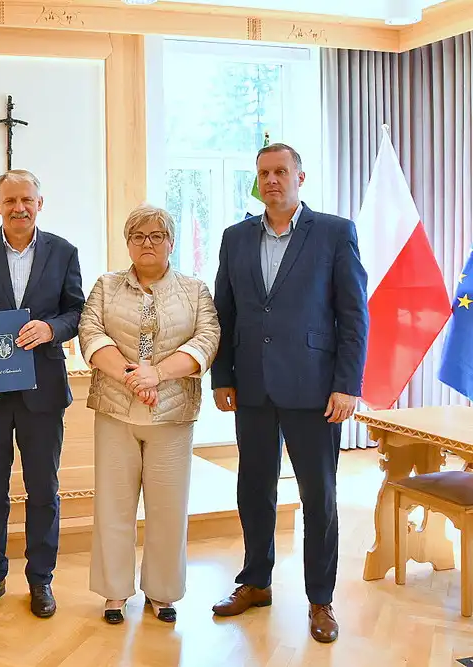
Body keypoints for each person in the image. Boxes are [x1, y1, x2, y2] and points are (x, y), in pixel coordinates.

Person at [210, 143, 368, 643]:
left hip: (315, 389)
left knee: (318, 495)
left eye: (281, 171)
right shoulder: (235, 238)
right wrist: (223, 376)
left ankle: (320, 599)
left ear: (301, 176)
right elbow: (224, 313)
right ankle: (255, 582)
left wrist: (347, 385)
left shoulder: (335, 233)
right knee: (253, 489)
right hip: (252, 387)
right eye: (263, 173)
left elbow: (353, 316)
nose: (272, 180)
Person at [0, 169, 85, 618]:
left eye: (26, 199)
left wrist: (51, 329)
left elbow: (76, 311)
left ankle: (40, 580)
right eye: (9, 201)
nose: (19, 207)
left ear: (40, 203)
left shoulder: (63, 252)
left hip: (42, 391)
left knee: (43, 489)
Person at [78, 204, 220, 625]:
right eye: (138, 236)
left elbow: (207, 339)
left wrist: (156, 374)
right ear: (127, 243)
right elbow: (90, 331)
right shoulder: (106, 286)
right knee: (113, 505)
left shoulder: (194, 290)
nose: (148, 243)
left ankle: (162, 593)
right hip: (116, 412)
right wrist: (132, 377)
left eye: (157, 235)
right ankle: (114, 593)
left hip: (172, 416)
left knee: (168, 508)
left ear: (171, 242)